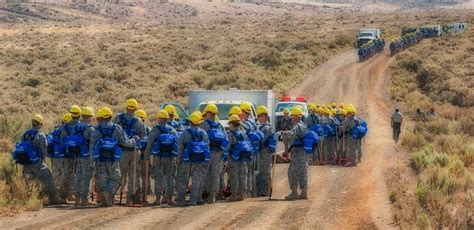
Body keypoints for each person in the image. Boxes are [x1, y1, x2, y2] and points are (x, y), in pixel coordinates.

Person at [91, 107, 137, 207]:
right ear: (111, 116)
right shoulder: (117, 128)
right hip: (114, 159)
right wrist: (134, 141)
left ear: (101, 118)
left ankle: (105, 197)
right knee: (116, 179)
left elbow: (92, 145)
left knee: (102, 180)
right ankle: (108, 194)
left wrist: (92, 159)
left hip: (100, 159)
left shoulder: (97, 129)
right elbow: (125, 142)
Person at [13, 114, 59, 205]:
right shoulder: (40, 135)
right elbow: (44, 148)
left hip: (26, 161)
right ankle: (51, 199)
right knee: (48, 177)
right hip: (36, 161)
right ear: (40, 124)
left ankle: (28, 199)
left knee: (29, 181)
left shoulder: (25, 133)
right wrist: (42, 159)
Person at [113, 99, 146, 206]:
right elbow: (142, 136)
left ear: (126, 107)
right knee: (133, 176)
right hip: (134, 152)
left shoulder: (118, 118)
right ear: (136, 109)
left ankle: (111, 195)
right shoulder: (139, 121)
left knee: (118, 174)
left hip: (121, 151)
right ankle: (129, 199)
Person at [176, 111, 210, 206]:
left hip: (186, 160)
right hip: (199, 160)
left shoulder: (185, 133)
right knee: (196, 179)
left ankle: (181, 200)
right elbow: (207, 147)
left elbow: (180, 148)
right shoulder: (203, 133)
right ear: (199, 122)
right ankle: (193, 200)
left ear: (190, 122)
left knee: (183, 180)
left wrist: (179, 160)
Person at [145, 110, 177, 206]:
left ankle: (158, 199)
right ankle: (169, 199)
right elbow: (176, 144)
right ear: (167, 119)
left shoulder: (154, 130)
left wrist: (146, 156)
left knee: (158, 178)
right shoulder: (172, 130)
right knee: (170, 177)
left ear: (159, 119)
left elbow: (149, 144)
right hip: (170, 157)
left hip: (158, 157)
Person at [279, 107, 309, 200]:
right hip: (303, 152)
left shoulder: (297, 126)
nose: (291, 118)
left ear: (296, 116)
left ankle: (294, 192)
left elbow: (291, 134)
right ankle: (304, 192)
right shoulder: (304, 125)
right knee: (303, 172)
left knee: (292, 172)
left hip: (298, 152)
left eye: (292, 116)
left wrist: (281, 133)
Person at [200, 104, 226, 204]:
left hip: (206, 153)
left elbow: (200, 139)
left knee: (204, 174)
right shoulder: (220, 125)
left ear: (208, 113)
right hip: (218, 153)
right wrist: (222, 153)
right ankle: (213, 196)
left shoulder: (203, 125)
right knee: (215, 175)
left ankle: (203, 194)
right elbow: (226, 140)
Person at [72, 106, 95, 206]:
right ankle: (84, 199)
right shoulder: (90, 129)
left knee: (78, 177)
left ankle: (77, 199)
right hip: (87, 156)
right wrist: (92, 159)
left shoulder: (75, 127)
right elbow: (92, 144)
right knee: (86, 178)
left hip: (77, 154)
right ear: (90, 117)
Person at [59, 105, 83, 203]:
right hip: (79, 155)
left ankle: (63, 196)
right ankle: (75, 196)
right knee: (77, 175)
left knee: (66, 175)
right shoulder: (81, 126)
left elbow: (62, 141)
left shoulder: (65, 126)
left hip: (67, 154)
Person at [226, 114, 249, 202]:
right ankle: (242, 194)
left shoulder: (230, 134)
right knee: (242, 175)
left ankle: (234, 195)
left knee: (234, 176)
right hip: (242, 157)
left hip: (233, 158)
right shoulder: (243, 133)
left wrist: (224, 156)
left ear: (232, 124)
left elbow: (227, 146)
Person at [48, 113, 71, 193]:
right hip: (63, 156)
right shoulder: (66, 130)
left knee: (55, 174)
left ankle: (56, 193)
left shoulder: (55, 130)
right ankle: (67, 194)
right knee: (66, 175)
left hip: (54, 155)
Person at [240, 102, 259, 198]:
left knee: (246, 172)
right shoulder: (253, 122)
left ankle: (246, 192)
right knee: (251, 172)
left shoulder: (244, 124)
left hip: (246, 150)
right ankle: (252, 192)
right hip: (253, 150)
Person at [255, 106, 273, 197]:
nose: (258, 118)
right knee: (261, 171)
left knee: (265, 172)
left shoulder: (267, 128)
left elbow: (262, 139)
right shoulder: (262, 127)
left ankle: (265, 191)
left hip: (265, 152)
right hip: (262, 152)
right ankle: (262, 190)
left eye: (260, 116)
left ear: (265, 116)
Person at [135, 109, 151, 198]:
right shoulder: (148, 129)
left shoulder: (134, 131)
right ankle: (147, 190)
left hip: (136, 152)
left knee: (136, 172)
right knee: (146, 173)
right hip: (145, 153)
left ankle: (138, 189)